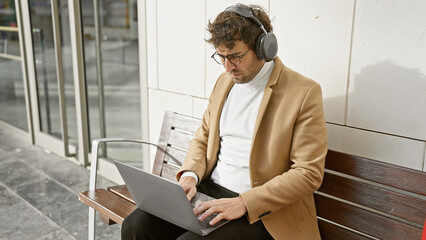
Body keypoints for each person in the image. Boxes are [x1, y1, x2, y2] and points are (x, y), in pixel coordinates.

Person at [122, 3, 327, 240]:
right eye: (221, 57)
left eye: (235, 56)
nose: (228, 67)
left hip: (261, 210)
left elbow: (308, 172)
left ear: (263, 48)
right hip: (210, 192)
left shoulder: (303, 92)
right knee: (135, 226)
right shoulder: (224, 82)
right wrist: (191, 175)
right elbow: (203, 136)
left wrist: (244, 202)